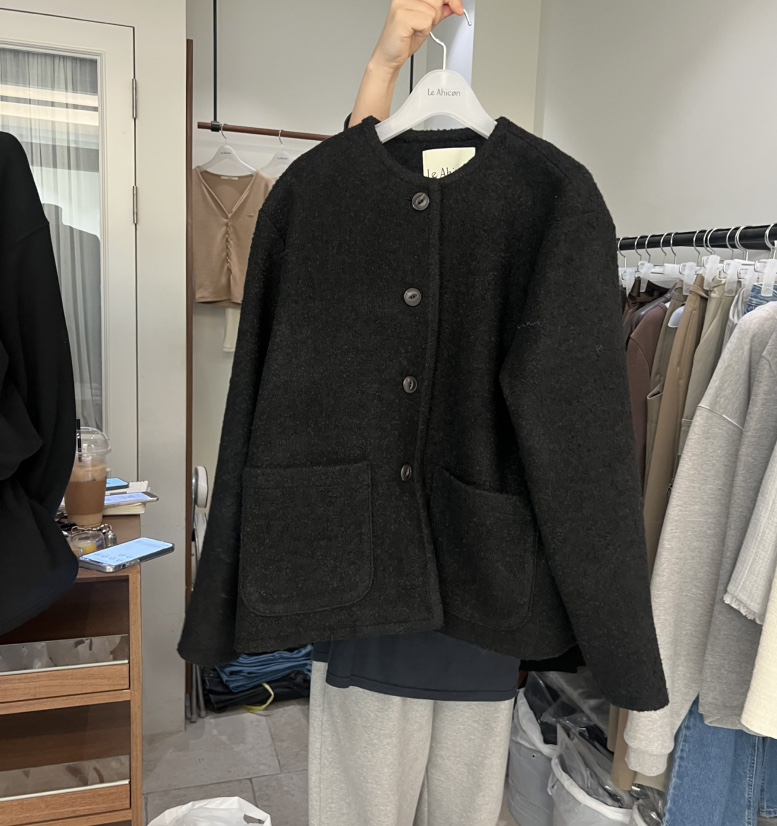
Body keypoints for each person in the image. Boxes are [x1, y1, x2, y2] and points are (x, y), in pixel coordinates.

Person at [308, 3, 520, 826]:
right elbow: (341, 203)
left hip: (480, 583)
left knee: (452, 803)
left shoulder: (529, 209)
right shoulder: (356, 221)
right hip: (377, 584)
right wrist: (383, 66)